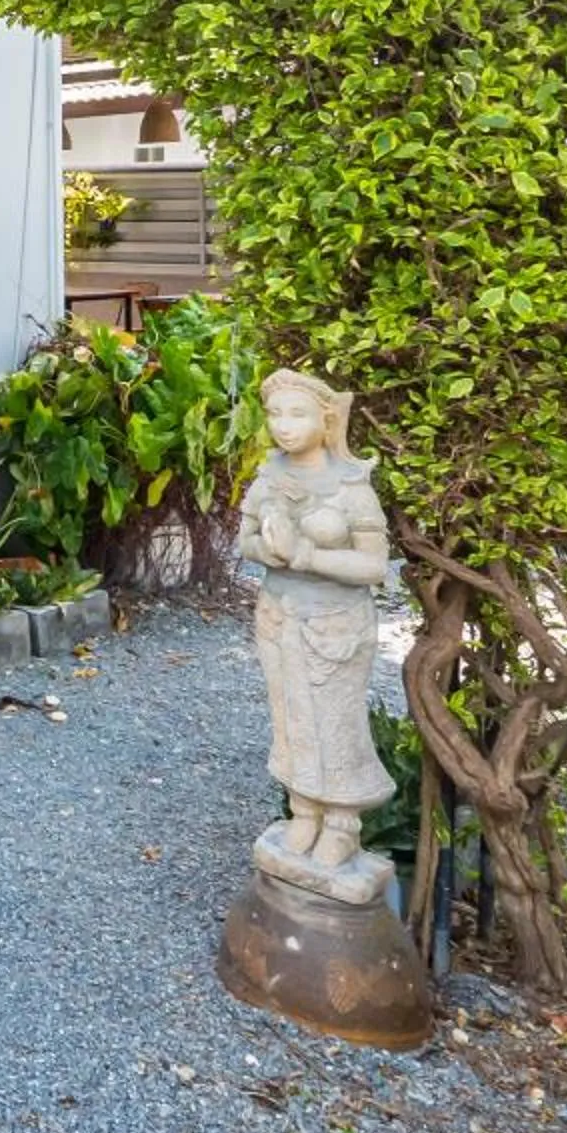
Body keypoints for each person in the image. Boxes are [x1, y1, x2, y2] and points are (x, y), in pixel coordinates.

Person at [237, 369, 394, 874]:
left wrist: (304, 554)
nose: (284, 426)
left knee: (334, 720)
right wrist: (270, 549)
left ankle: (343, 823)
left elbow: (372, 566)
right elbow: (246, 541)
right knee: (290, 717)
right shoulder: (268, 478)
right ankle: (302, 809)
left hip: (335, 625)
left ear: (326, 421)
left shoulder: (350, 486)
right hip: (279, 616)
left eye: (297, 414)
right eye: (275, 414)